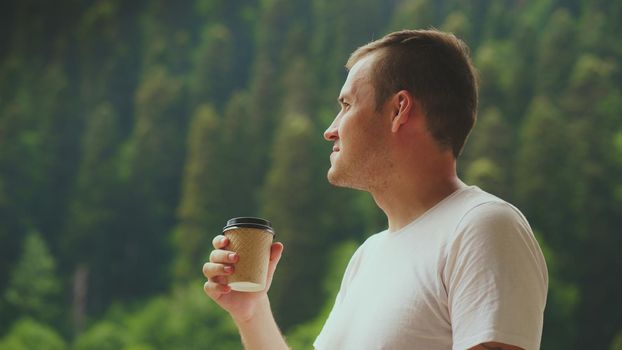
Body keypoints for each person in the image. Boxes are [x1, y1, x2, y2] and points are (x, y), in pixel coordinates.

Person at [202, 29, 548, 350]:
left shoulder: (483, 227)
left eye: (347, 105)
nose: (331, 129)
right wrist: (251, 311)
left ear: (399, 109)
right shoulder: (368, 256)